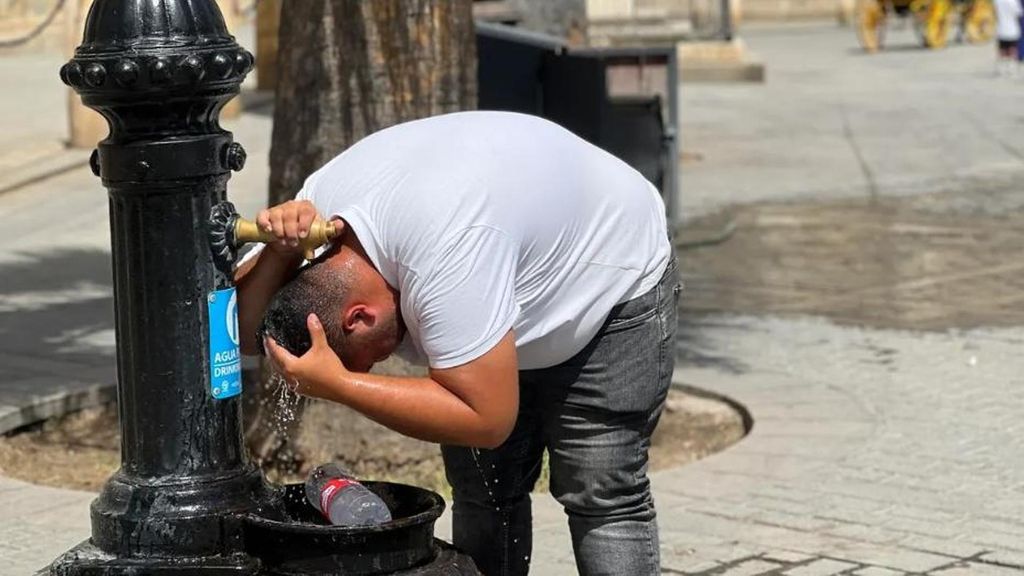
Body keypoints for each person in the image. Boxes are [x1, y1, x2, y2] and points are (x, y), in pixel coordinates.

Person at [235, 111, 677, 576]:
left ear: (358, 317)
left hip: (610, 278)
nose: (375, 367)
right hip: (505, 259)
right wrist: (278, 251)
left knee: (601, 492)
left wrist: (341, 385)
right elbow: (243, 333)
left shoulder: (446, 256)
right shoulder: (317, 222)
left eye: (362, 361)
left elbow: (486, 419)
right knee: (485, 491)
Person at [995, 0, 1022, 76]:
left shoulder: (997, 1)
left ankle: (1002, 69)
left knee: (1002, 50)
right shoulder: (1013, 1)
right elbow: (1018, 13)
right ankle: (1011, 68)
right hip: (1012, 29)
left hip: (1001, 29)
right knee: (1013, 49)